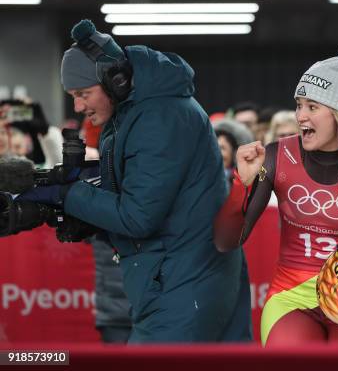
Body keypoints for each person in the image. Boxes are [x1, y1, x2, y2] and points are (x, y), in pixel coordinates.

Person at [18, 20, 251, 343]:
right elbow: (144, 200)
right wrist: (82, 213)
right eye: (72, 96)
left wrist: (67, 193)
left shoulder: (159, 117)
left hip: (184, 286)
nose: (78, 106)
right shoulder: (137, 112)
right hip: (187, 278)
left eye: (83, 94)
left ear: (116, 81)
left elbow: (138, 216)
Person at [214, 48, 338, 345]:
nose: (300, 116)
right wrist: (241, 185)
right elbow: (225, 241)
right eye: (298, 105)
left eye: (312, 106)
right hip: (293, 297)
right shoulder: (276, 155)